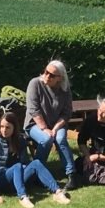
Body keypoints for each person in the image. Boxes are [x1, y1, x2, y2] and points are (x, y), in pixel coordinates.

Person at [0, 113, 70, 208]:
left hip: (18, 177)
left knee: (36, 163)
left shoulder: (20, 140)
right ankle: (23, 197)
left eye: (8, 127)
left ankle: (57, 192)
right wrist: (7, 170)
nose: (4, 130)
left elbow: (25, 162)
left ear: (14, 128)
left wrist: (22, 168)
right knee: (17, 166)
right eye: (2, 127)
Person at [25, 59, 77, 189]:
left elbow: (67, 113)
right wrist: (44, 128)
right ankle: (36, 173)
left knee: (60, 139)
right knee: (46, 139)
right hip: (34, 124)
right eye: (46, 72)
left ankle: (72, 175)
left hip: (56, 124)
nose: (47, 76)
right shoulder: (35, 83)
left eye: (52, 75)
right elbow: (33, 109)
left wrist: (55, 128)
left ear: (60, 78)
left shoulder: (65, 90)